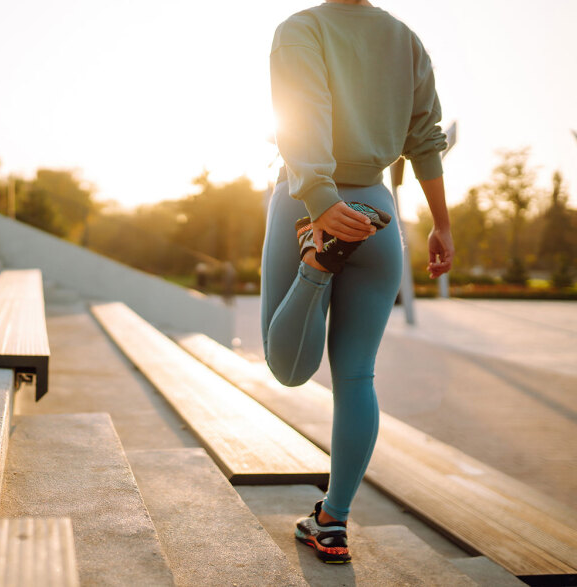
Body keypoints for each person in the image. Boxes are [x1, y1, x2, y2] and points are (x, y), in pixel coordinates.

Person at [261, 0, 454, 564]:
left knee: (289, 367)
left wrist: (320, 201)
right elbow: (426, 136)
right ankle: (333, 520)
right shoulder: (405, 39)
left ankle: (316, 265)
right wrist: (441, 225)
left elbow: (305, 114)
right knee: (357, 377)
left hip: (308, 207)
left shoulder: (301, 29)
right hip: (378, 211)